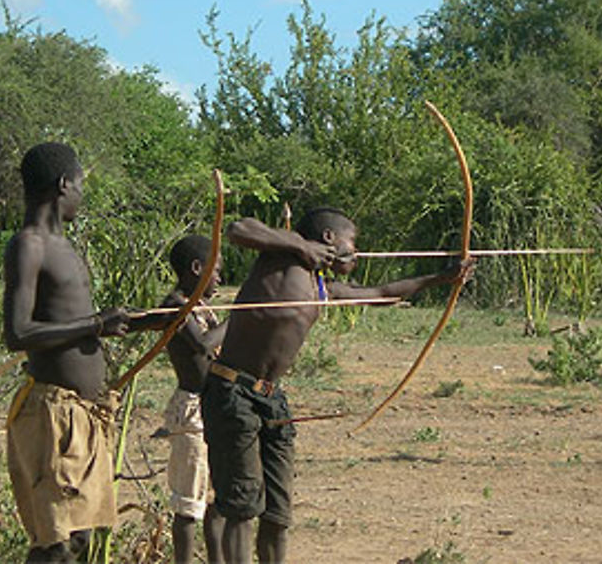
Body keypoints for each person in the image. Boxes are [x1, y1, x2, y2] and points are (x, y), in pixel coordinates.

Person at [202, 207, 473, 564]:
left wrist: (442, 278)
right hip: (232, 391)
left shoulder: (321, 285)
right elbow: (238, 228)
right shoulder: (281, 255)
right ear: (329, 238)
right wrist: (301, 247)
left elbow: (381, 293)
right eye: (352, 242)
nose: (356, 252)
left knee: (277, 515)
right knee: (240, 506)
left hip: (271, 399)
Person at [3, 142, 139, 563]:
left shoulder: (65, 248)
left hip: (82, 414)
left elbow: (79, 319)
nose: (82, 193)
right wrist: (96, 324)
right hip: (51, 414)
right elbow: (18, 332)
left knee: (76, 538)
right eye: (80, 185)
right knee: (55, 543)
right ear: (64, 185)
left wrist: (155, 317)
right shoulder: (29, 245)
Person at [157, 234, 227, 564]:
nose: (220, 278)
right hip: (192, 411)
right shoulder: (175, 304)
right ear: (197, 268)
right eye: (216, 270)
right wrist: (238, 317)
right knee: (189, 505)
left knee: (215, 500)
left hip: (214, 407)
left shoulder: (200, 305)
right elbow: (202, 344)